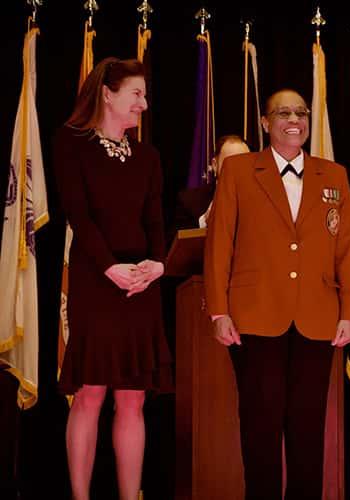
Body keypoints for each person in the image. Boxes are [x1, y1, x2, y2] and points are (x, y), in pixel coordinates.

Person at [204, 89, 350, 499]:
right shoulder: (238, 170)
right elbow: (219, 244)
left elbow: (347, 249)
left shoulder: (335, 175)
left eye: (301, 112)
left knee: (309, 430)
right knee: (260, 428)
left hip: (317, 317)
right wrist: (219, 311)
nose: (295, 119)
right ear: (265, 122)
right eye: (283, 112)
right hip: (255, 318)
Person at [53, 57, 173, 500]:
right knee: (90, 393)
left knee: (133, 398)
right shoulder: (72, 143)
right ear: (108, 93)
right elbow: (78, 215)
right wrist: (109, 268)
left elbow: (155, 220)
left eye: (144, 94)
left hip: (140, 284)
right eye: (136, 94)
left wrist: (157, 265)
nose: (144, 103)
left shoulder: (148, 155)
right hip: (96, 281)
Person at [173, 134, 250, 230]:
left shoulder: (262, 200)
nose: (238, 170)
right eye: (231, 163)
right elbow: (178, 242)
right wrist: (205, 220)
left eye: (244, 163)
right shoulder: (189, 201)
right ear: (214, 165)